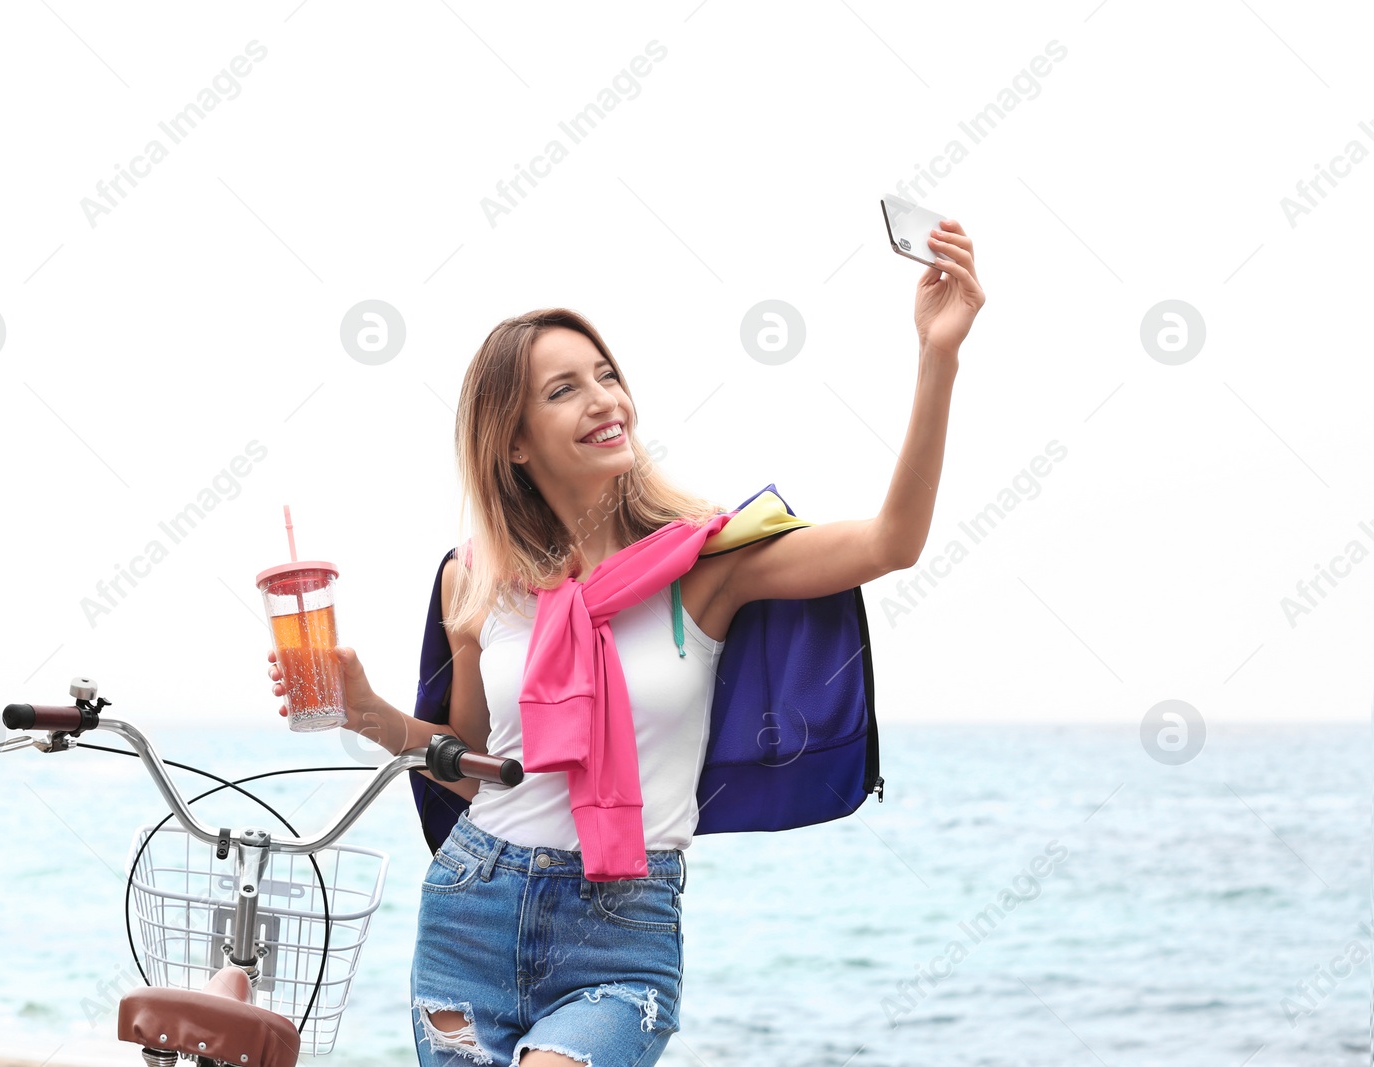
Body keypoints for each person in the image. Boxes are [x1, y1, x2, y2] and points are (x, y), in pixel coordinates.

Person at [267, 221, 983, 1065]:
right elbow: (474, 771)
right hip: (471, 910)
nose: (605, 399)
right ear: (514, 440)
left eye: (606, 375)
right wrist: (370, 713)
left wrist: (938, 356)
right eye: (565, 389)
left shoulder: (705, 565)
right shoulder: (475, 579)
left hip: (622, 934)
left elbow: (892, 541)